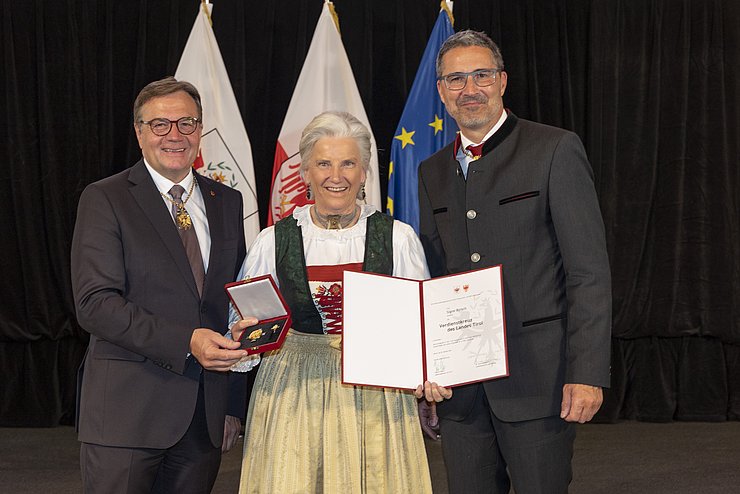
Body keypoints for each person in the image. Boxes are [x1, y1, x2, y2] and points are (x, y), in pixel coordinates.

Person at [417, 30, 612, 493]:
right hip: (460, 393)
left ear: (502, 81)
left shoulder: (554, 149)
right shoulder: (431, 171)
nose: (470, 89)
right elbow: (433, 278)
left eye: (481, 75)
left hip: (539, 383)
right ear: (442, 92)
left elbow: (588, 272)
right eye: (456, 79)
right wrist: (425, 370)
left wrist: (586, 374)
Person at [233, 111, 434, 493]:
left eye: (348, 163)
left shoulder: (398, 238)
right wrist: (245, 336)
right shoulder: (272, 241)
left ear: (364, 173)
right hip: (293, 388)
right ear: (306, 172)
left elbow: (420, 324)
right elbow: (247, 329)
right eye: (323, 163)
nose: (335, 176)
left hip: (375, 390)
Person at [71, 76, 255, 493]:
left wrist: (231, 406)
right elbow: (95, 303)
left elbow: (233, 304)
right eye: (160, 124)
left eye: (187, 123)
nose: (175, 135)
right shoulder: (106, 198)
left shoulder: (227, 202)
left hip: (203, 419)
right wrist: (188, 341)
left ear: (200, 130)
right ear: (139, 132)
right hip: (126, 415)